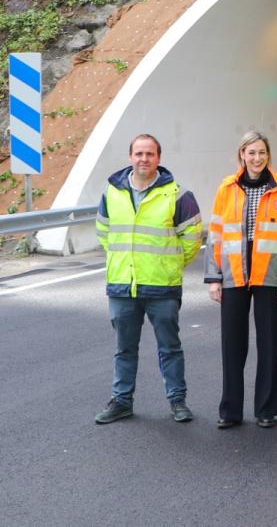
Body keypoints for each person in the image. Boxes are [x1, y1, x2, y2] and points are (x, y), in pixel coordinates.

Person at [94, 134, 203, 425]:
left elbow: (193, 238)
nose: (144, 159)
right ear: (130, 157)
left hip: (162, 287)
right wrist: (123, 262)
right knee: (124, 349)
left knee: (170, 347)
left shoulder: (178, 195)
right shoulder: (112, 192)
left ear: (159, 158)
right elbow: (104, 233)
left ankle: (177, 401)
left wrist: (170, 265)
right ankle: (122, 401)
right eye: (139, 153)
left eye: (150, 154)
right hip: (122, 285)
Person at [204, 131, 277, 429]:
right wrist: (213, 277)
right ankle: (230, 410)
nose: (257, 158)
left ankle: (266, 409)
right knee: (232, 344)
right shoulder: (226, 188)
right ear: (241, 155)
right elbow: (215, 234)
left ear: (268, 155)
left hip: (269, 275)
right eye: (251, 152)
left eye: (262, 153)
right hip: (233, 273)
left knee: (268, 343)